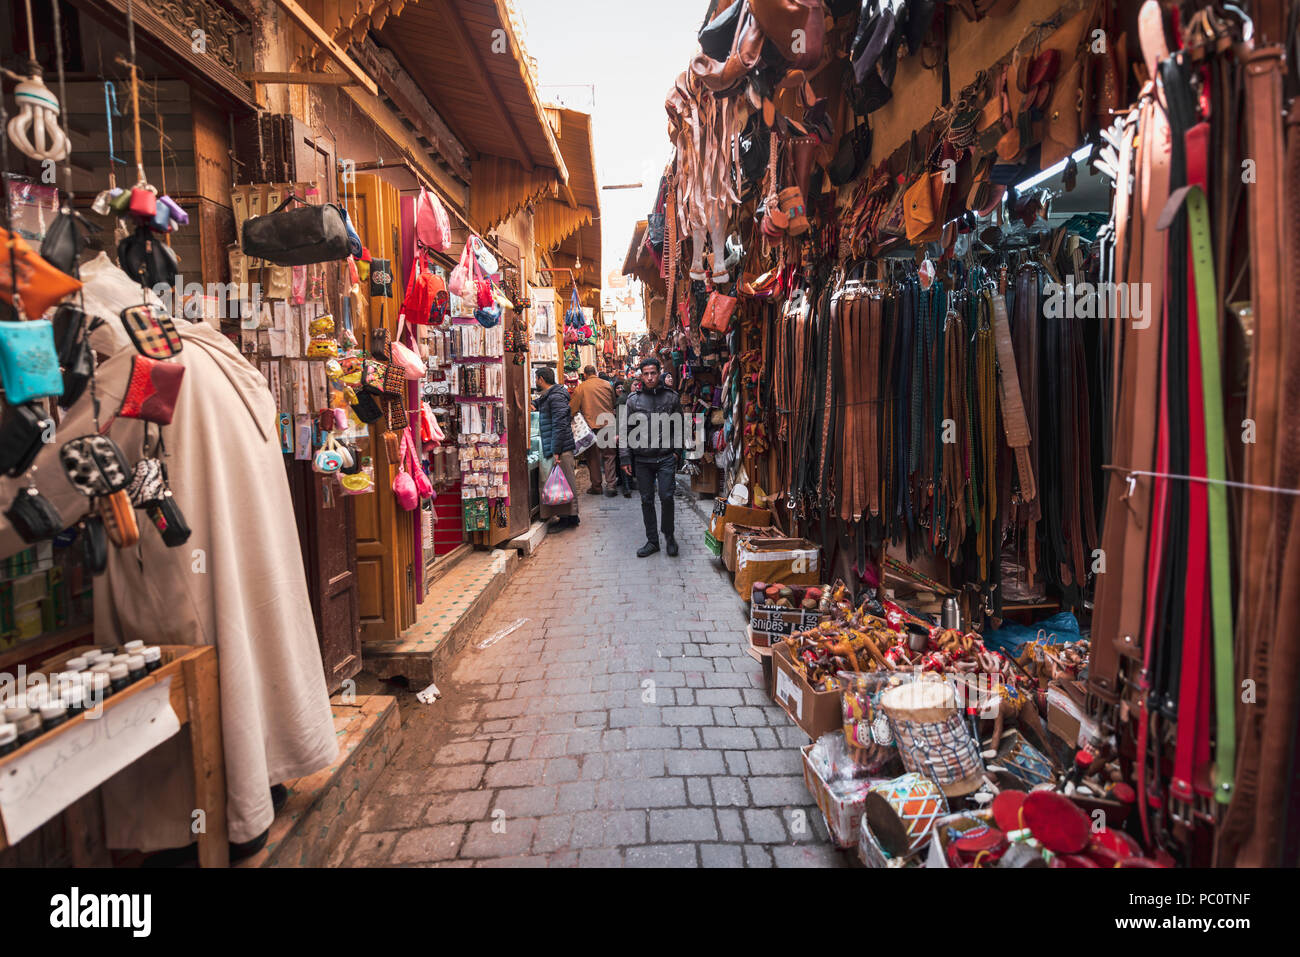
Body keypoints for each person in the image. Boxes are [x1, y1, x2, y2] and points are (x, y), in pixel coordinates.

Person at [620, 356, 685, 557]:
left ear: (659, 373)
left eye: (653, 373)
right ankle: (652, 541)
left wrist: (676, 453)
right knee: (646, 500)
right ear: (641, 375)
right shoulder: (633, 400)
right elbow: (625, 430)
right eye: (646, 374)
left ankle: (669, 536)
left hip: (666, 457)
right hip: (642, 459)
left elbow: (679, 427)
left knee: (666, 497)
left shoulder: (671, 398)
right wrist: (625, 458)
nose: (649, 377)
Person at [533, 365, 580, 527]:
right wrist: (535, 404)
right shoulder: (551, 395)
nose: (535, 382)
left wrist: (557, 450)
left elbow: (560, 424)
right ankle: (567, 516)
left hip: (561, 446)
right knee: (563, 480)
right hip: (558, 444)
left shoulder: (556, 396)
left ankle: (570, 517)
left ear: (541, 379)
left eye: (536, 378)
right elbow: (543, 403)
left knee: (565, 481)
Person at [571, 364, 618, 496]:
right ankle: (611, 485)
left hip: (591, 427)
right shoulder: (607, 384)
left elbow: (573, 409)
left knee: (593, 458)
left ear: (585, 375)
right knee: (609, 456)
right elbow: (613, 402)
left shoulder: (581, 387)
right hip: (608, 424)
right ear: (596, 373)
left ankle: (597, 486)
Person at [612, 377, 634, 498]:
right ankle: (626, 486)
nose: (636, 387)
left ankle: (628, 483)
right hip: (624, 432)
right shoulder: (623, 399)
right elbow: (619, 419)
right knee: (625, 457)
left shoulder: (632, 397)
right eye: (634, 385)